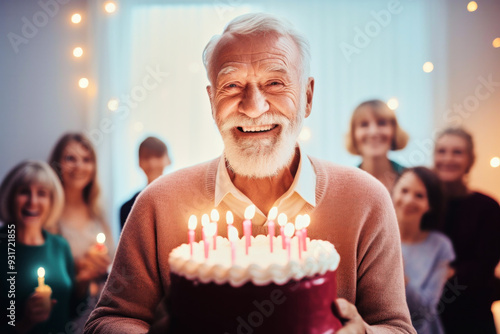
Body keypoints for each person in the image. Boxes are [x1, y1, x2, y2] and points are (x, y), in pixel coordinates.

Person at [84, 13, 415, 333]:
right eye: (231, 85)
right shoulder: (159, 202)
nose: (254, 106)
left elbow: (396, 327)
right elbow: (107, 320)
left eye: (274, 82)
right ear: (212, 101)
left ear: (308, 97)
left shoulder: (366, 199)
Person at [0, 161, 88, 333]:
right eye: (24, 192)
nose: (32, 202)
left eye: (42, 194)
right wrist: (26, 323)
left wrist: (83, 283)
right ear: (10, 197)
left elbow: (72, 309)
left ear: (51, 201)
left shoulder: (60, 246)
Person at [433, 127, 500, 334]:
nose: (448, 158)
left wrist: (443, 273)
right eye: (442, 151)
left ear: (470, 160)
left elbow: (484, 266)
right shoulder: (424, 205)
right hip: (430, 318)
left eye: (457, 152)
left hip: (473, 317)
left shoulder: (488, 207)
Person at [48, 133, 114, 332]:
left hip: (103, 312)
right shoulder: (47, 214)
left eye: (86, 159)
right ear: (57, 163)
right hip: (66, 317)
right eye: (70, 158)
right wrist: (79, 270)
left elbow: (113, 257)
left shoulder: (98, 211)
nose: (79, 166)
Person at [392, 167, 455, 333]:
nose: (408, 200)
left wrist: (401, 276)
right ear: (393, 193)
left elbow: (426, 311)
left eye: (419, 195)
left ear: (430, 205)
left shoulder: (440, 246)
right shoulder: (375, 235)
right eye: (404, 190)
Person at [346, 99, 409, 191]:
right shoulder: (345, 185)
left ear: (394, 131)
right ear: (353, 134)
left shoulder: (413, 180)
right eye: (364, 124)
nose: (373, 132)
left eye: (381, 123)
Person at [120, 136, 171, 229]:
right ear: (139, 162)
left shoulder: (180, 200)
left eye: (158, 156)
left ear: (169, 160)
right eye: (146, 157)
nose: (152, 163)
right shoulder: (128, 208)